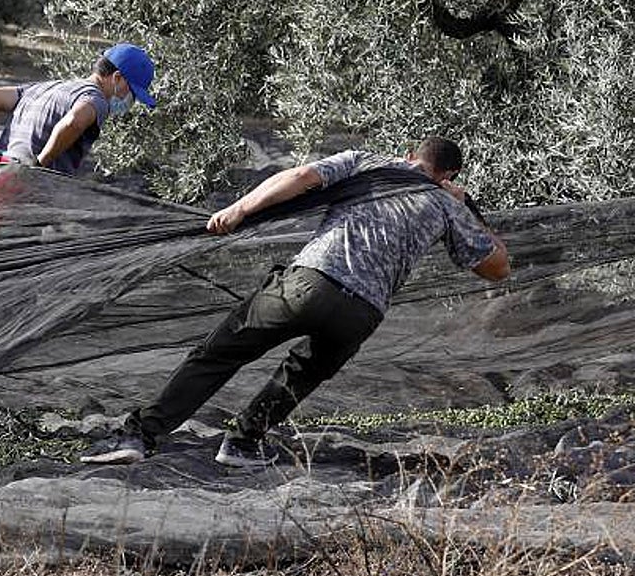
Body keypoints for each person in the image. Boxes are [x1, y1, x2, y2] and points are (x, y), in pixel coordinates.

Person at [79, 137, 512, 467]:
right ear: (446, 176)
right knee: (301, 374)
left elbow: (301, 178)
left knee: (218, 354)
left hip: (310, 282)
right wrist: (466, 206)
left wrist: (240, 208)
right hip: (361, 313)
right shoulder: (444, 205)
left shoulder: (369, 161)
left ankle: (140, 437)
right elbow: (497, 267)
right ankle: (244, 443)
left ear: (409, 154)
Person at [0, 43, 156, 181]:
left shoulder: (47, 88)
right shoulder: (97, 99)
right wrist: (40, 164)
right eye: (131, 93)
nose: (128, 100)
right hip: (23, 190)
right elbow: (74, 121)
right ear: (117, 78)